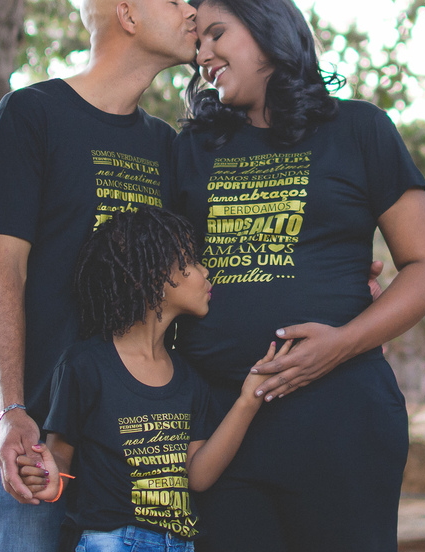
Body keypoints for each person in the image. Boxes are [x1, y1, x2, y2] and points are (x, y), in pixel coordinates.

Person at [171, 0, 425, 552]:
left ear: (270, 30)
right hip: (220, 423)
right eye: (197, 44)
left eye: (217, 33)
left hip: (342, 418)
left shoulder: (359, 129)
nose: (203, 55)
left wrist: (342, 344)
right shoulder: (190, 148)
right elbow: (152, 269)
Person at [0, 0, 199, 552]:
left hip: (128, 452)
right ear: (128, 16)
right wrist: (12, 409)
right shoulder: (32, 115)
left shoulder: (164, 146)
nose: (191, 12)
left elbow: (196, 271)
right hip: (33, 436)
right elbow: (3, 267)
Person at [19, 205, 289, 552]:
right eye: (191, 262)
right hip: (111, 541)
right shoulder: (84, 366)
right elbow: (60, 459)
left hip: (178, 544)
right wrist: (46, 476)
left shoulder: (189, 378)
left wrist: (248, 402)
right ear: (152, 277)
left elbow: (198, 477)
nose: (206, 271)